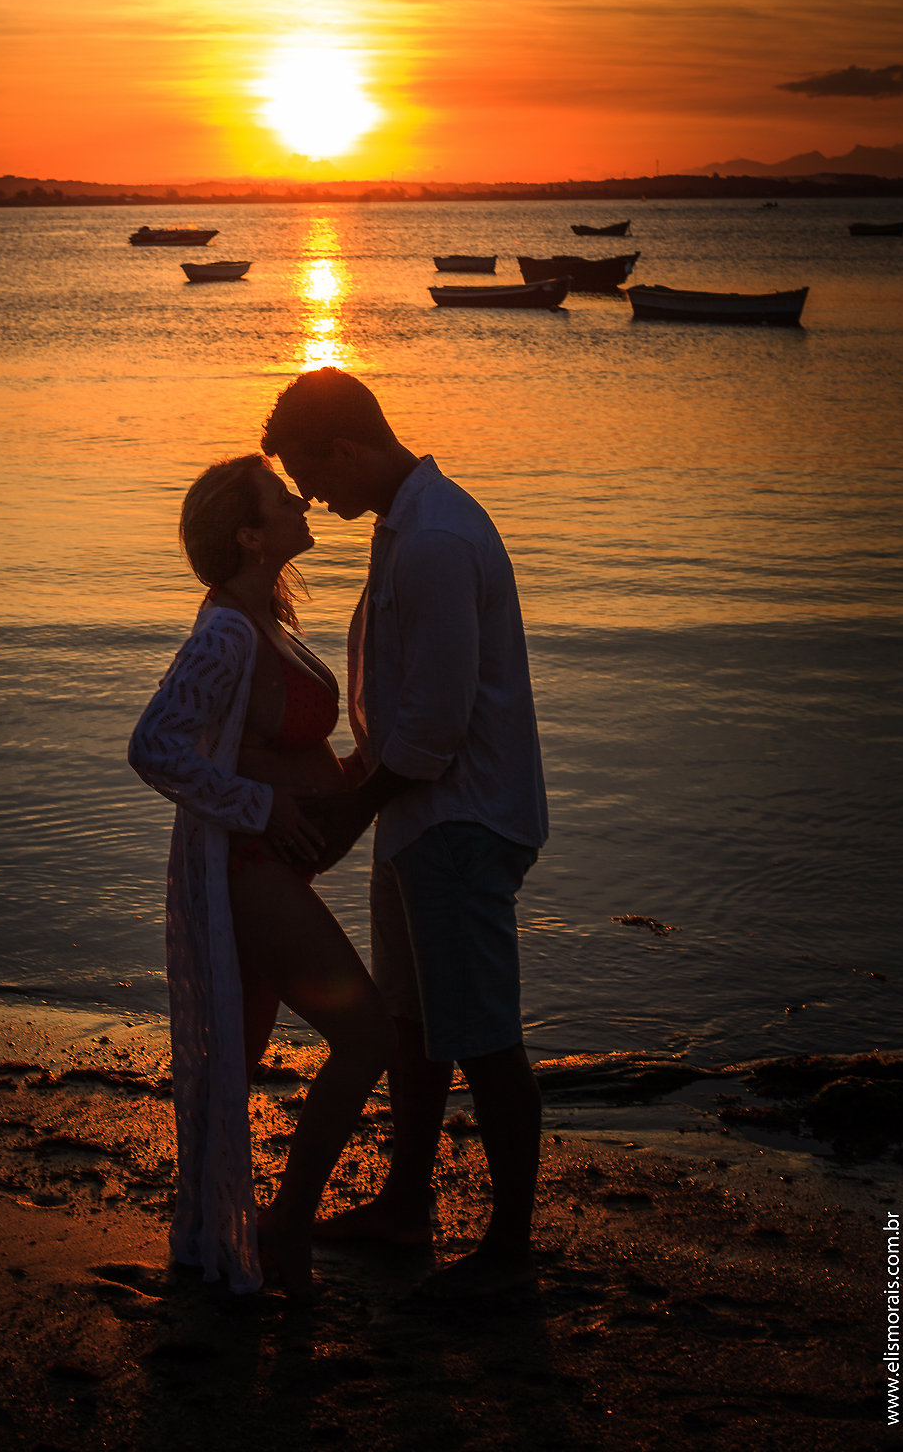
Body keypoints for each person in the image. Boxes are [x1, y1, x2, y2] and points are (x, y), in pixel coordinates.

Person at [259, 367, 549, 1297]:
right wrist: (354, 784)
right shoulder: (407, 529)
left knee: (485, 1036)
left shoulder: (432, 540)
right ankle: (404, 1206)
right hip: (420, 817)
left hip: (460, 820)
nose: (313, 497)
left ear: (347, 448)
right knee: (417, 1027)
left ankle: (508, 1252)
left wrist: (351, 809)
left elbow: (436, 726)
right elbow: (409, 710)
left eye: (313, 476)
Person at [127, 452, 395, 1299]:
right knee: (369, 1035)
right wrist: (260, 806)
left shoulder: (261, 617)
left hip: (274, 873)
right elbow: (154, 745)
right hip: (250, 873)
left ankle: (228, 1232)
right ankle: (284, 1228)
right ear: (249, 535)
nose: (301, 500)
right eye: (281, 497)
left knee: (240, 1056)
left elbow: (277, 746)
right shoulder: (226, 633)